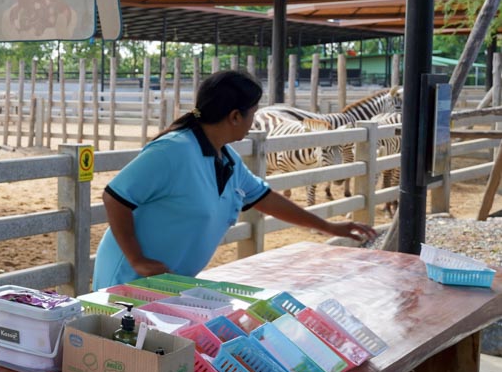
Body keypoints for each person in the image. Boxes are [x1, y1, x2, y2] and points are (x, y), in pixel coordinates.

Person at [93, 70, 376, 291]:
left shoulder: (226, 158)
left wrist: (328, 226)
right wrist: (136, 259)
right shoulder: (173, 150)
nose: (254, 121)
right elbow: (115, 197)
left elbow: (264, 198)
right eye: (253, 114)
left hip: (169, 282)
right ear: (235, 116)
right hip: (128, 281)